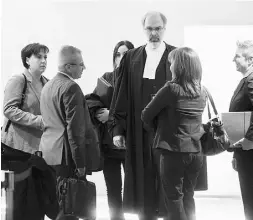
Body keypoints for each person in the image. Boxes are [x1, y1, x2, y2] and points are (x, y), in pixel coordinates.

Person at [108, 11, 176, 220]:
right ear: (143, 29)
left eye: (158, 29)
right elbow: (120, 95)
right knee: (142, 178)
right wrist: (118, 129)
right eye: (149, 29)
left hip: (168, 129)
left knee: (168, 180)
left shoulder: (176, 55)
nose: (154, 33)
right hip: (139, 131)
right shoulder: (131, 57)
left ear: (164, 29)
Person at [141, 47, 206, 220]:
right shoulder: (202, 91)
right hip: (196, 152)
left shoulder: (171, 89)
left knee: (174, 197)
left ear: (180, 66)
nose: (170, 67)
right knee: (188, 195)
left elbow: (146, 115)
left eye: (172, 63)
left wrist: (158, 124)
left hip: (173, 151)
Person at [1, 43, 51, 220]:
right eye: (39, 57)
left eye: (45, 57)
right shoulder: (18, 80)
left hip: (38, 150)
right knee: (15, 202)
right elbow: (9, 109)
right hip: (16, 149)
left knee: (37, 202)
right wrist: (38, 121)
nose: (44, 60)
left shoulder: (47, 83)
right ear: (27, 59)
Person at [39, 45, 88, 220]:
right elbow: (75, 131)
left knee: (58, 204)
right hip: (65, 155)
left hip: (48, 153)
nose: (84, 68)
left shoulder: (48, 86)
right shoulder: (71, 88)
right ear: (69, 67)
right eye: (81, 64)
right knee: (69, 207)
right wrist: (80, 162)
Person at [93, 40, 134, 220]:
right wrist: (98, 111)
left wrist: (112, 114)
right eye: (118, 54)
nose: (121, 58)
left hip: (130, 144)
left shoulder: (138, 81)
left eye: (125, 54)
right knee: (113, 190)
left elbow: (141, 111)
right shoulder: (107, 78)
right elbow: (93, 100)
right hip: (109, 145)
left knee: (135, 188)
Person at [229, 40, 253, 220]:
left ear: (250, 59)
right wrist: (236, 154)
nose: (233, 59)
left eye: (237, 56)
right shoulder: (246, 81)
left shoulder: (251, 81)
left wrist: (250, 139)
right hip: (244, 153)